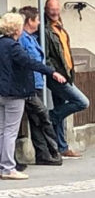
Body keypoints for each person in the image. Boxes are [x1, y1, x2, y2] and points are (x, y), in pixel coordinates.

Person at [0, 13, 67, 180]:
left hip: (1, 92)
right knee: (10, 131)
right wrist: (52, 72)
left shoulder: (1, 44)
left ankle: (3, 165)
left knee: (2, 130)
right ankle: (7, 168)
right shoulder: (13, 47)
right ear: (16, 28)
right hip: (14, 93)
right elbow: (29, 63)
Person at [44, 0, 89, 159]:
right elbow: (46, 56)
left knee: (62, 110)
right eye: (51, 9)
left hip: (66, 75)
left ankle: (61, 147)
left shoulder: (59, 27)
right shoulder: (45, 30)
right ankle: (50, 116)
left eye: (56, 9)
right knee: (82, 102)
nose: (55, 12)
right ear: (46, 10)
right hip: (58, 76)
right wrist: (54, 73)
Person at [18, 6, 62, 166]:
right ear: (29, 21)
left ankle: (44, 154)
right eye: (36, 20)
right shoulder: (22, 38)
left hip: (36, 82)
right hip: (28, 84)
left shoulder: (30, 37)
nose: (38, 23)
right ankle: (49, 153)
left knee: (37, 120)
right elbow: (28, 61)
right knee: (41, 117)